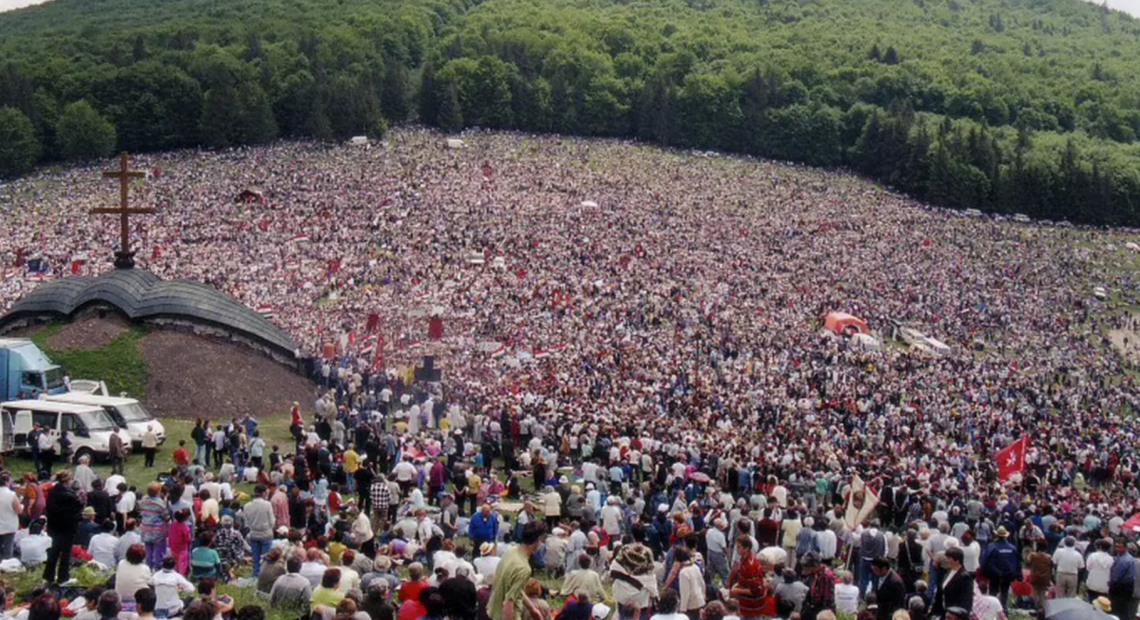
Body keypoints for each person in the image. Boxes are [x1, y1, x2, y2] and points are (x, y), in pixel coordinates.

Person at [488, 522, 546, 620]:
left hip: (494, 611)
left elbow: (514, 588)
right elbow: (508, 603)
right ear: (539, 539)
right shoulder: (524, 568)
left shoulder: (511, 551)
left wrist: (532, 609)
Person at [43, 469, 82, 584]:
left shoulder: (52, 492)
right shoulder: (70, 495)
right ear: (68, 480)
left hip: (54, 526)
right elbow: (77, 509)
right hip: (67, 527)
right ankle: (63, 577)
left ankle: (48, 576)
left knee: (54, 551)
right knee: (66, 552)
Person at [932, 548, 974, 618]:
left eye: (949, 558)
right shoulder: (948, 571)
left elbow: (966, 600)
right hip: (945, 611)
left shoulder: (965, 577)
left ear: (957, 560)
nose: (947, 560)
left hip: (955, 615)